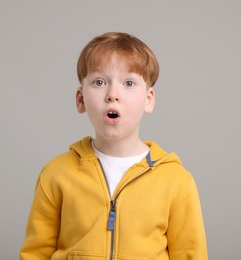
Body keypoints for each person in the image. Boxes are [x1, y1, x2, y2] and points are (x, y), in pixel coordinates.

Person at [20, 32, 208, 260]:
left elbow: (191, 255)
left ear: (148, 99)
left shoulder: (176, 180)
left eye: (128, 83)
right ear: (80, 99)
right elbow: (36, 253)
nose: (113, 95)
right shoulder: (55, 174)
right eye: (99, 82)